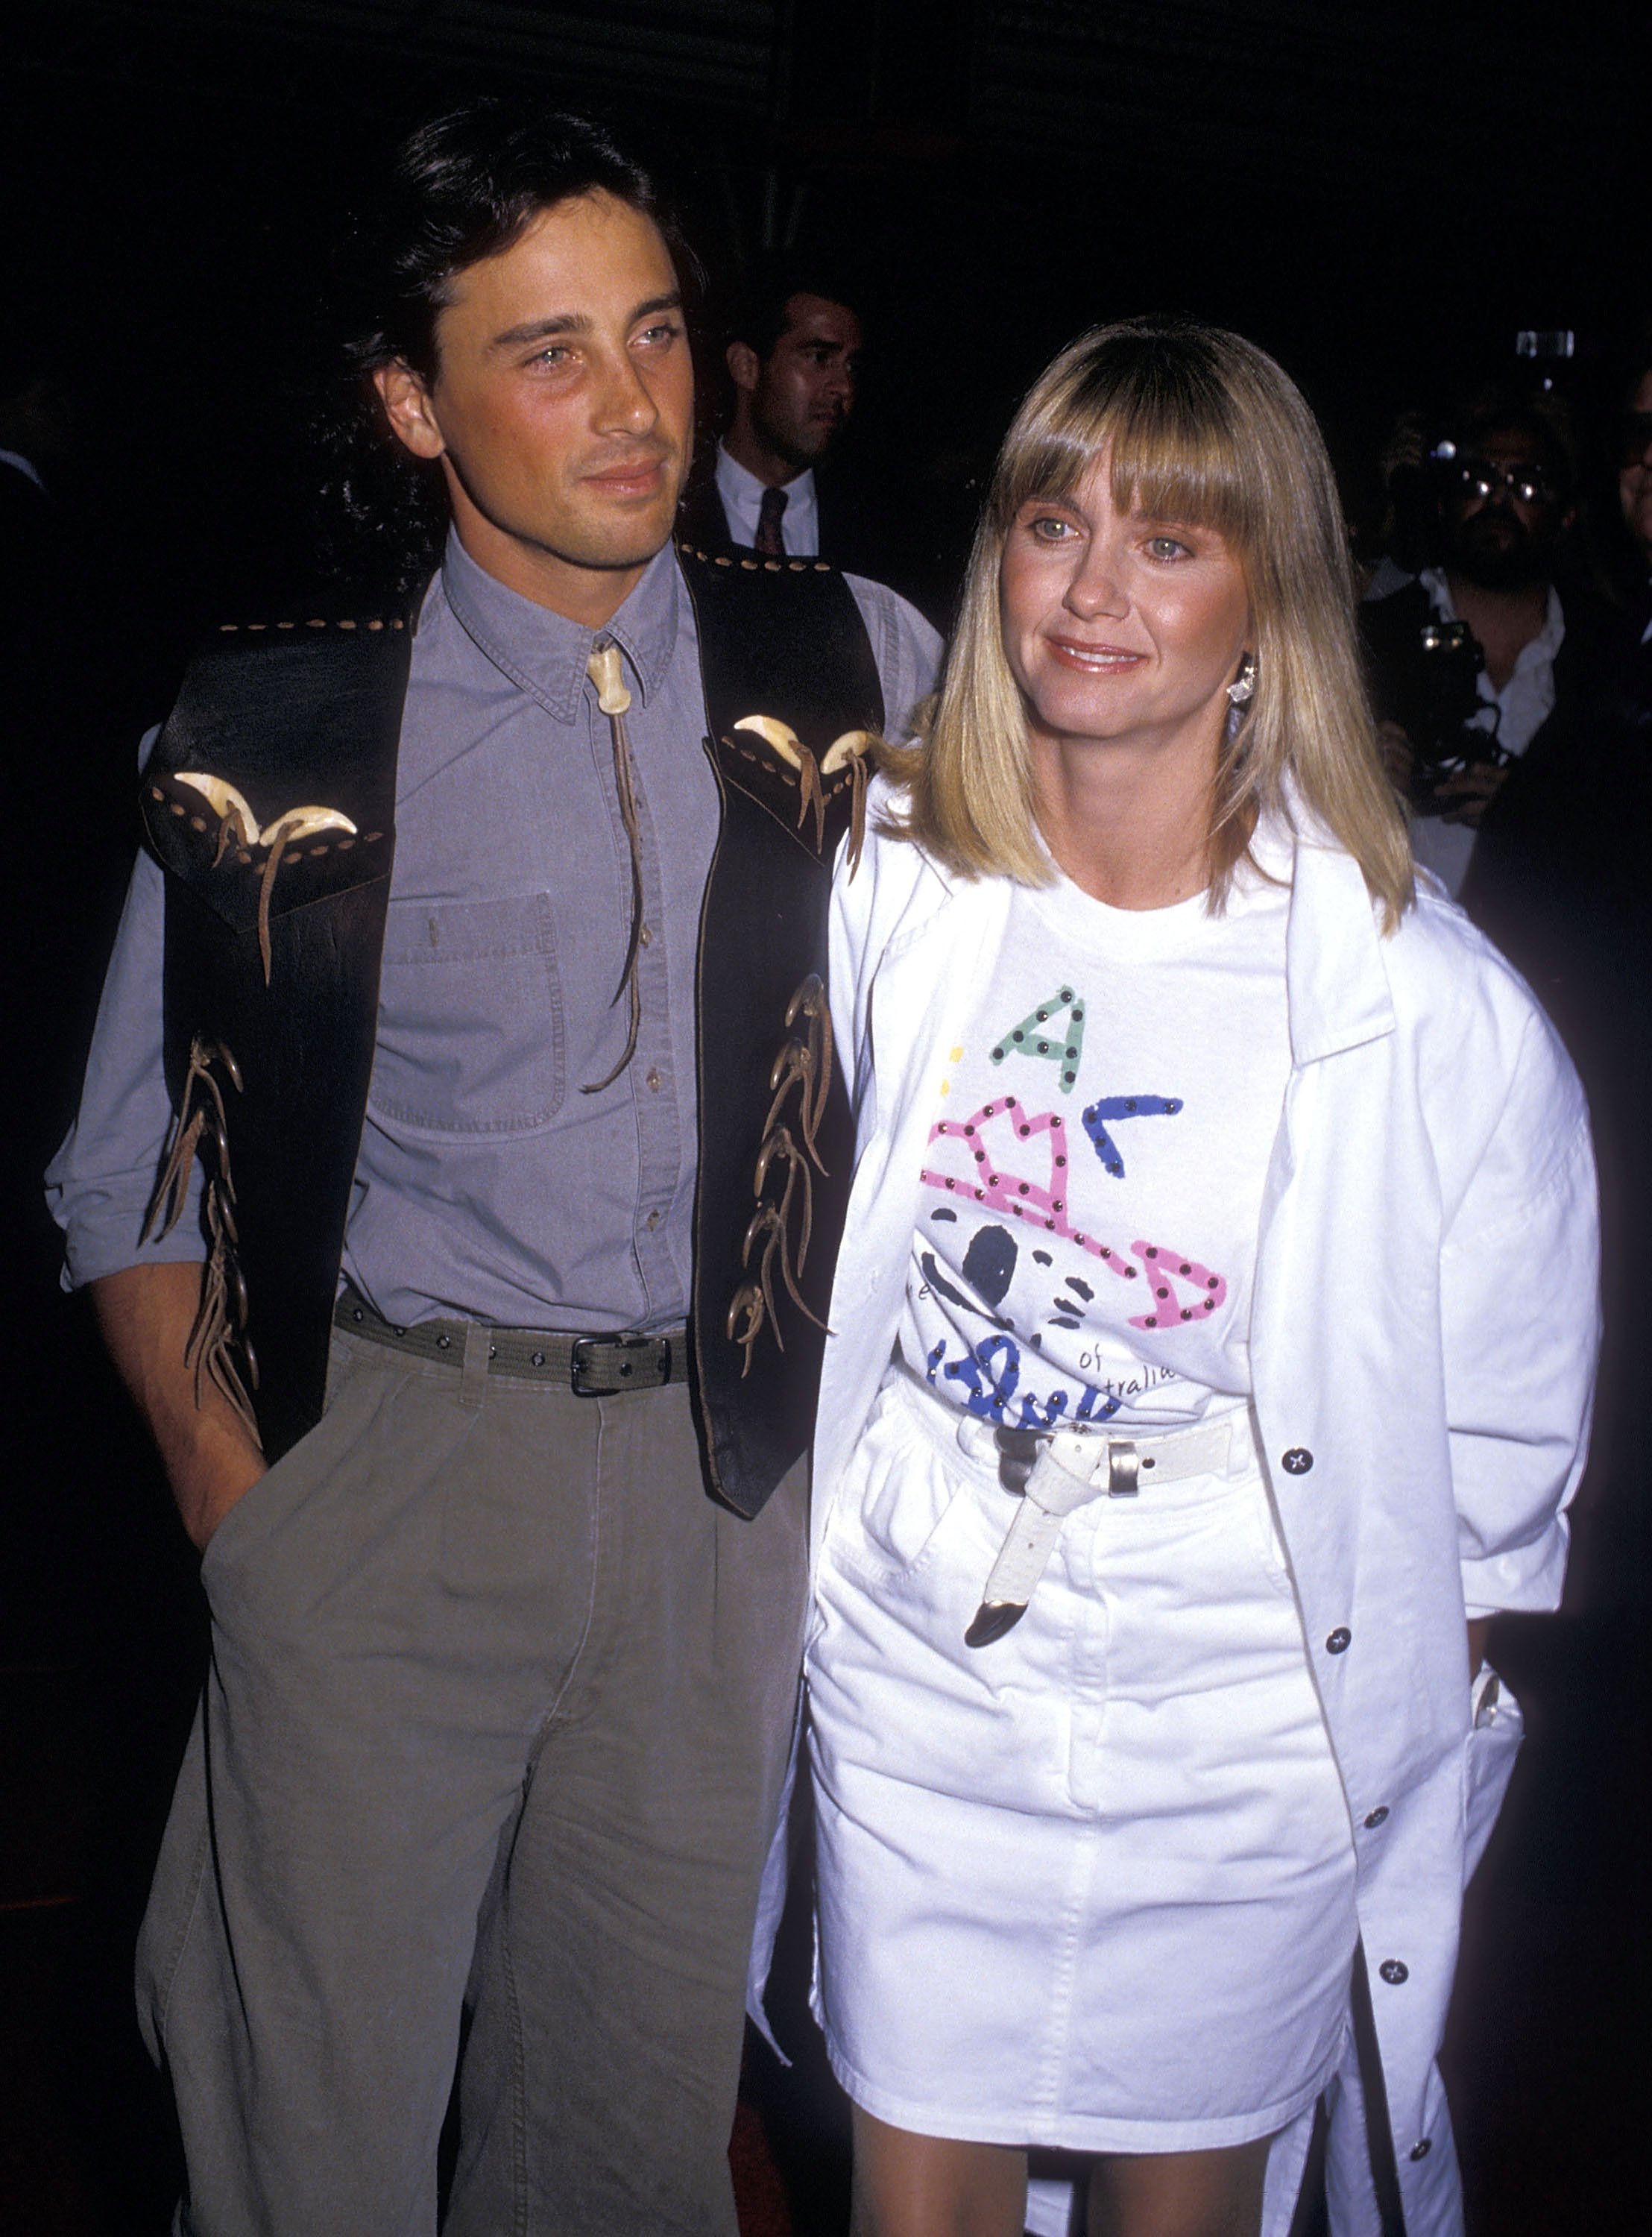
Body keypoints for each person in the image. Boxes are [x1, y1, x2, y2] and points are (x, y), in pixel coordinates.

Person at [46, 101, 939, 2237]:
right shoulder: (279, 731)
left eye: (653, 334)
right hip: (388, 1476)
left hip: (721, 1501)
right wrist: (235, 1503)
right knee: (305, 2142)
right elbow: (119, 1180)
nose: (631, 406)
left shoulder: (862, 668)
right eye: (547, 352)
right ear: (411, 400)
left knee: (627, 2149)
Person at [799, 319, 1596, 2237]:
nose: (1089, 588)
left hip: (1242, 1728)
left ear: (1268, 603)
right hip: (923, 1681)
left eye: (1168, 542)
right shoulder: (880, 880)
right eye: (1051, 519)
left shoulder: (1416, 1001)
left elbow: (1497, 1456)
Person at [1360, 393, 1585, 901]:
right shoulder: (1370, 638)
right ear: (1443, 502)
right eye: (1478, 481)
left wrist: (1534, 810)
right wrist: (1353, 779)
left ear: (1566, 514)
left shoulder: (1607, 657)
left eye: (1527, 484)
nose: (1499, 502)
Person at [678, 265, 905, 582]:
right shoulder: (673, 511)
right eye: (819, 358)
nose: (844, 387)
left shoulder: (883, 527)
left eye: (852, 366)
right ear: (746, 367)